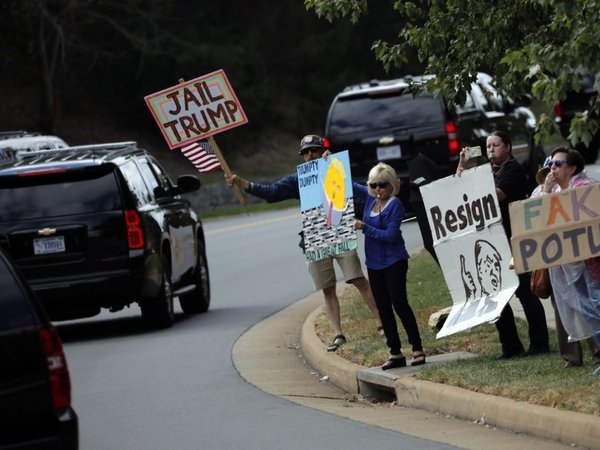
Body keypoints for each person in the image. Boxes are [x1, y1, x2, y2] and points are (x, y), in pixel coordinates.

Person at [225, 134, 382, 352]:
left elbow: (361, 193)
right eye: (306, 152)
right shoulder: (299, 179)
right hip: (315, 239)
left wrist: (334, 166)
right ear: (303, 157)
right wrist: (244, 184)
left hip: (340, 234)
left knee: (358, 279)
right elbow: (272, 193)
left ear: (321, 151)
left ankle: (381, 322)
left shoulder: (335, 169)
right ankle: (338, 334)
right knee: (327, 288)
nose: (311, 155)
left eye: (315, 150)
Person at [456, 130, 550, 359]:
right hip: (493, 244)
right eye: (487, 146)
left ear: (507, 147)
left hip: (514, 240)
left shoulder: (513, 171)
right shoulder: (487, 171)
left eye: (495, 145)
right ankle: (510, 346)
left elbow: (494, 196)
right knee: (496, 295)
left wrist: (473, 177)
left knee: (526, 293)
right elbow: (458, 188)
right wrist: (463, 166)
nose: (491, 150)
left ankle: (540, 344)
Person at [350, 161, 426, 370]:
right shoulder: (368, 199)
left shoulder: (395, 205)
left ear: (392, 184)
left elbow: (391, 236)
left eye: (382, 185)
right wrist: (328, 164)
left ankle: (417, 348)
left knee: (399, 304)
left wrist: (366, 227)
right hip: (374, 264)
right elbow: (346, 183)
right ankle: (395, 352)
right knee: (382, 307)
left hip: (394, 260)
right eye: (373, 184)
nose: (377, 189)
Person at [534, 147, 600, 372]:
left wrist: (558, 190)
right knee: (589, 311)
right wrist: (547, 190)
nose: (552, 168)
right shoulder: (549, 190)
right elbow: (538, 217)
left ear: (572, 168)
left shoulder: (584, 187)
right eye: (551, 164)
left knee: (597, 307)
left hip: (590, 264)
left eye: (558, 164)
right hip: (569, 266)